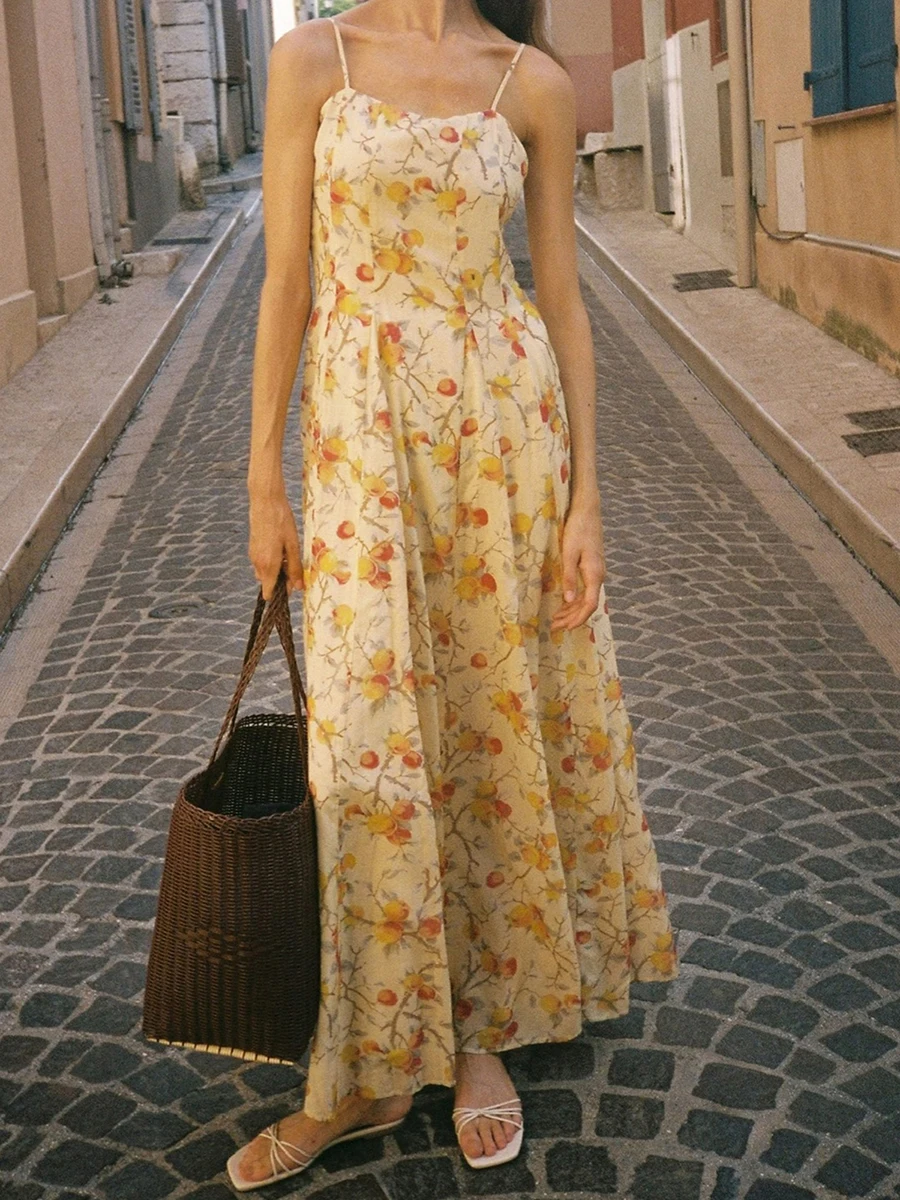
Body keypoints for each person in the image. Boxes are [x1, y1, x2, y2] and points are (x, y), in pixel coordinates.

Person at [227, 0, 678, 1188]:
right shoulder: (307, 61)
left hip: (505, 444)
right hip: (361, 448)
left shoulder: (529, 81)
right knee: (364, 747)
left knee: (489, 730)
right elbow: (286, 280)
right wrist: (261, 481)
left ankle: (476, 1034)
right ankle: (365, 1066)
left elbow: (566, 302)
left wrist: (588, 503)